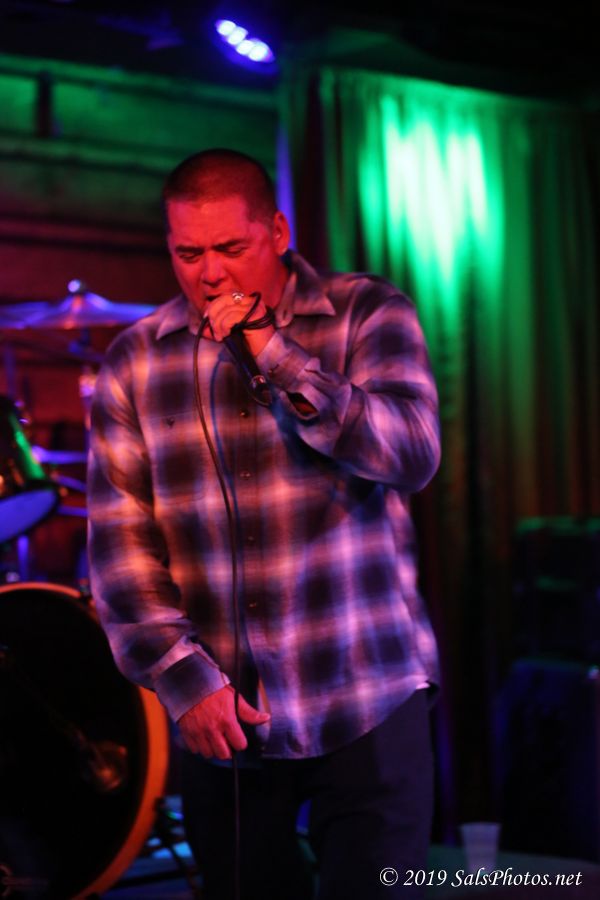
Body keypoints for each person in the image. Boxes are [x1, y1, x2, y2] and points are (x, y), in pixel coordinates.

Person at [87, 148, 441, 899]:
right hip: (227, 713)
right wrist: (182, 678)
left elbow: (412, 454)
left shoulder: (366, 312)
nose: (210, 274)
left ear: (277, 232)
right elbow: (121, 551)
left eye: (229, 248)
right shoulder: (136, 360)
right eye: (189, 254)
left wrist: (274, 354)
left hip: (367, 689)